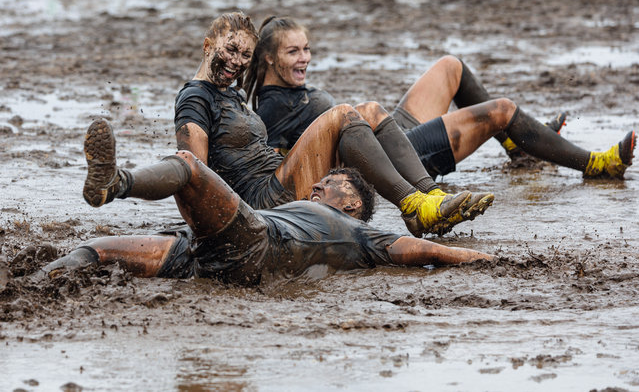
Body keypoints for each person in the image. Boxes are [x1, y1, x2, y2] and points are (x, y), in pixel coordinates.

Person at [87, 11, 494, 237]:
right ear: (208, 46)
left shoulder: (230, 95)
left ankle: (427, 197)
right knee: (345, 113)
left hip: (277, 183)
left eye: (245, 55)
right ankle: (416, 205)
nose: (237, 61)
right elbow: (192, 171)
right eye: (231, 49)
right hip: (263, 203)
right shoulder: (197, 97)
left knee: (368, 110)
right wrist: (216, 227)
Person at [42, 119, 493, 285]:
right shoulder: (308, 208)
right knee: (97, 250)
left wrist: (482, 259)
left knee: (187, 165)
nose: (316, 187)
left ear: (353, 202)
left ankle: (115, 184)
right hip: (203, 254)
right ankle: (33, 285)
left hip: (255, 244)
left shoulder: (361, 233)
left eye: (330, 184)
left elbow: (421, 250)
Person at [245, 16, 636, 180]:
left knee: (451, 67)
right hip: (397, 159)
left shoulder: (288, 91)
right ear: (268, 58)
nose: (305, 58)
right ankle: (598, 164)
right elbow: (285, 170)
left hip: (388, 131)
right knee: (502, 110)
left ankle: (519, 147)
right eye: (294, 52)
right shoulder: (273, 108)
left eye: (307, 49)